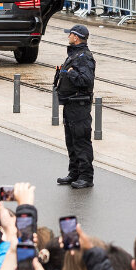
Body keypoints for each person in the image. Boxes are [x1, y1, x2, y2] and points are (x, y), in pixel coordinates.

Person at [55, 24, 96, 188]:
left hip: (79, 104)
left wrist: (70, 73)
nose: (68, 37)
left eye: (70, 34)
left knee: (81, 141)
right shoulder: (75, 55)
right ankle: (74, 173)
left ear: (76, 37)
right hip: (70, 104)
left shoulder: (84, 57)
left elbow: (86, 81)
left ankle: (86, 176)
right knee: (71, 140)